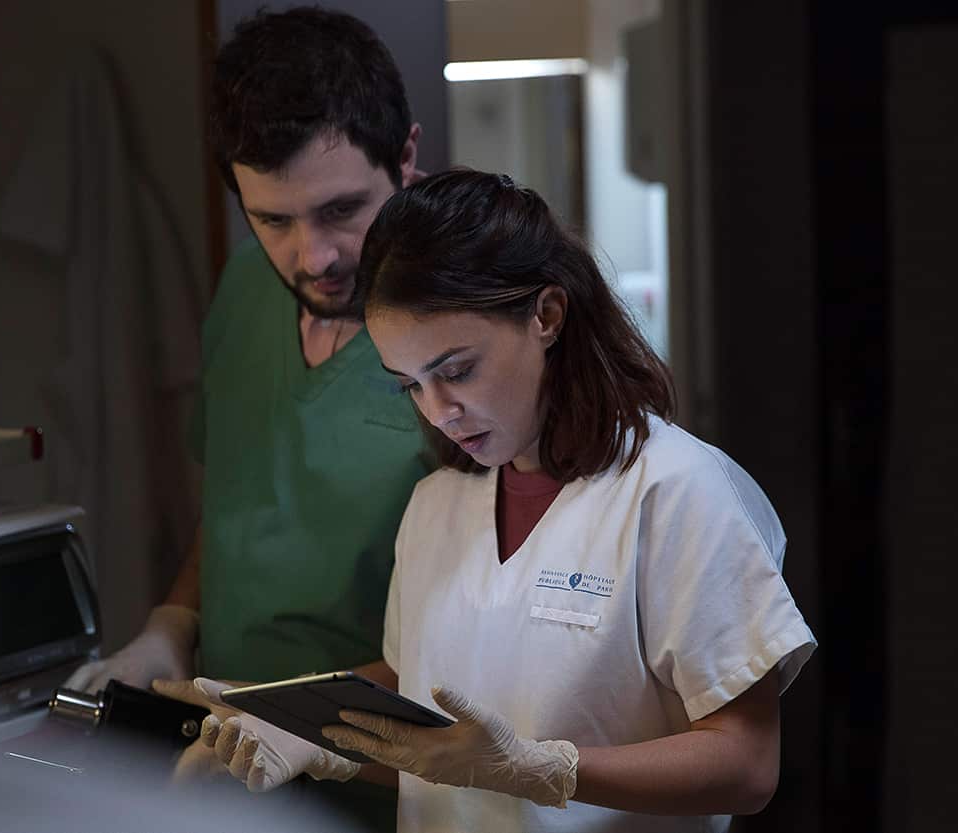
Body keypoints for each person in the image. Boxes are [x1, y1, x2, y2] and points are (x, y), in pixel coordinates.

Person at [188, 170, 817, 832]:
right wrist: (303, 724)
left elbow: (747, 763)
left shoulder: (674, 491)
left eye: (457, 370)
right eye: (411, 385)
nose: (440, 410)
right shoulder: (436, 504)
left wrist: (547, 768)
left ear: (546, 314)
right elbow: (431, 726)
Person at [64, 7, 430, 830]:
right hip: (223, 771)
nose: (314, 256)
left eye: (342, 209)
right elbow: (235, 504)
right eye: (273, 219)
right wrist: (174, 620)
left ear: (405, 157)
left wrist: (293, 721)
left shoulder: (461, 345)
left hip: (384, 791)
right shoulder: (244, 292)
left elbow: (500, 646)